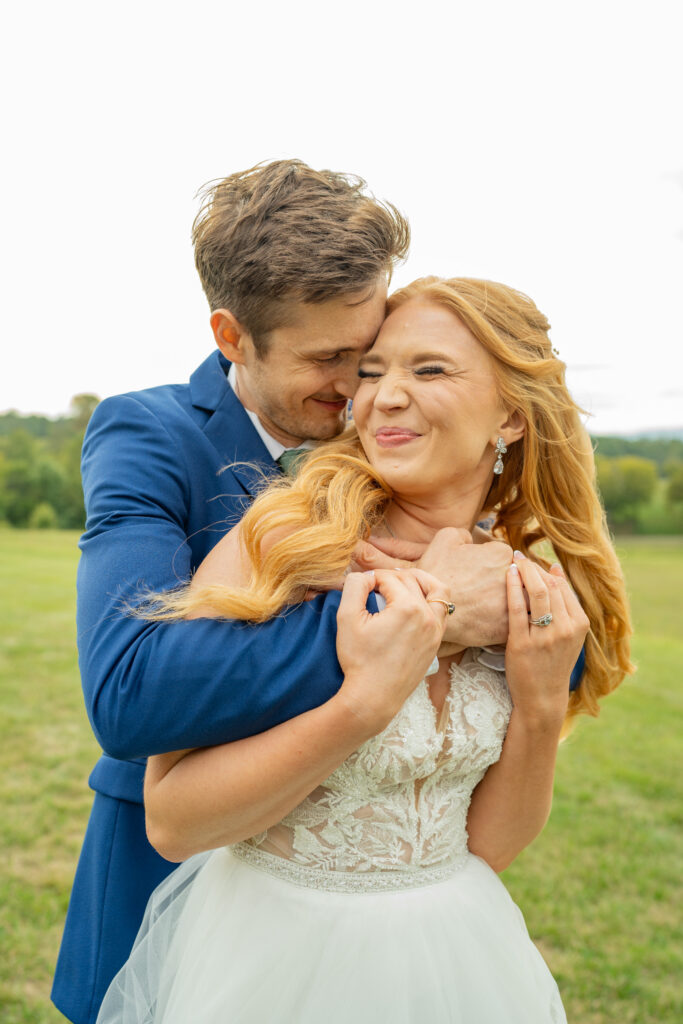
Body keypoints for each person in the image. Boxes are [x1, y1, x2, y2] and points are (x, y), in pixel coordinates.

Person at [53, 163, 522, 1024]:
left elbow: (527, 656)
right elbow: (130, 691)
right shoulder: (150, 435)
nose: (363, 390)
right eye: (331, 360)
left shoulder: (405, 430)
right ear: (232, 335)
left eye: (371, 348)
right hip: (188, 892)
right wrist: (428, 617)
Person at [96, 276, 632, 1022]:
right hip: (271, 961)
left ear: (509, 415)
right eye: (373, 371)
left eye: (429, 370)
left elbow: (483, 849)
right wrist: (363, 703)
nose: (382, 395)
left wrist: (539, 707)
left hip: (454, 958)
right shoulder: (282, 542)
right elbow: (174, 822)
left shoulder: (517, 585)